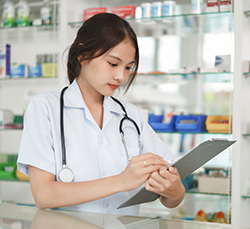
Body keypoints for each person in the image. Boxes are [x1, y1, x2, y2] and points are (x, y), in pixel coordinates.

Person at [17, 13, 185, 216]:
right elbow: (44, 195)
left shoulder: (131, 116)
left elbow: (169, 195)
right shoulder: (45, 108)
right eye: (113, 64)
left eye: (128, 67)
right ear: (82, 54)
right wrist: (120, 181)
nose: (120, 76)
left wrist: (175, 192)